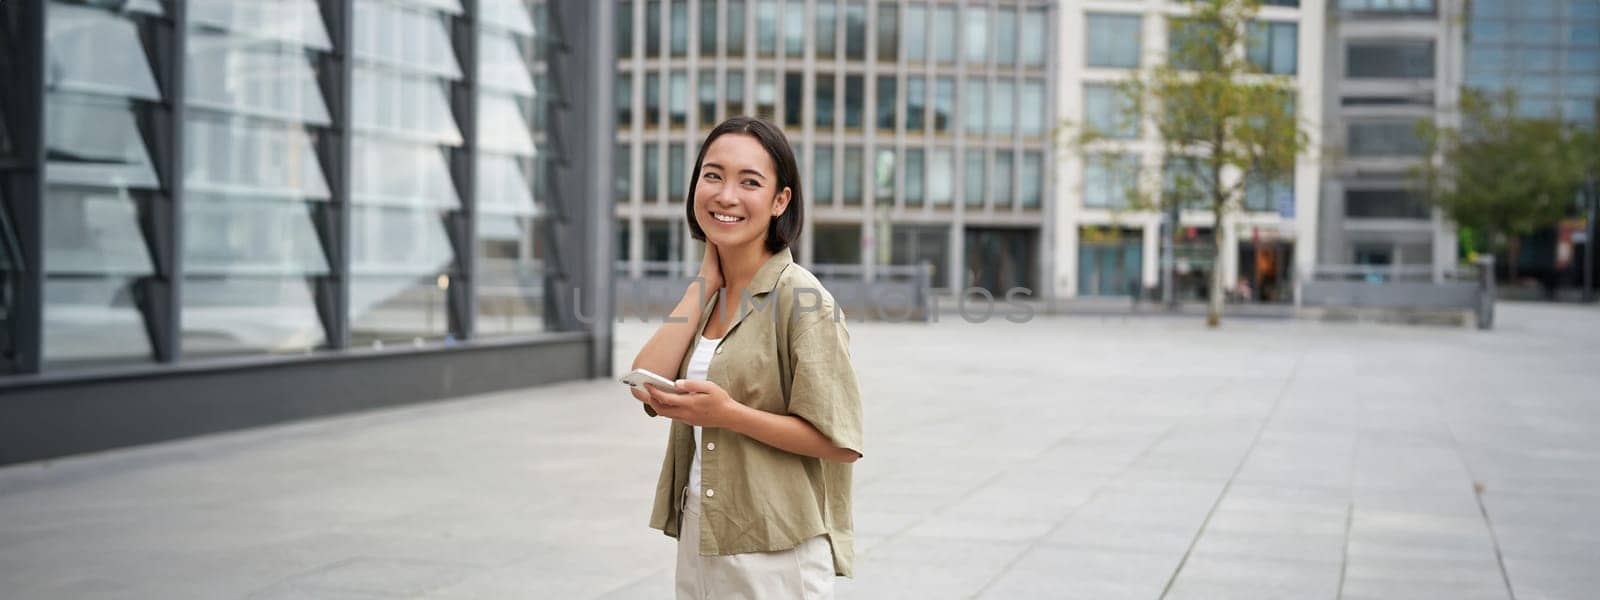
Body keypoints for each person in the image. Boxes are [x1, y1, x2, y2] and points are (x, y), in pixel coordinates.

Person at [629, 116, 864, 599]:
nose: (725, 195)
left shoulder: (801, 298)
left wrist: (728, 415)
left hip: (775, 550)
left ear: (781, 201)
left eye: (749, 182)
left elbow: (842, 441)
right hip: (702, 531)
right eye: (712, 175)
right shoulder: (712, 295)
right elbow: (646, 383)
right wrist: (704, 285)